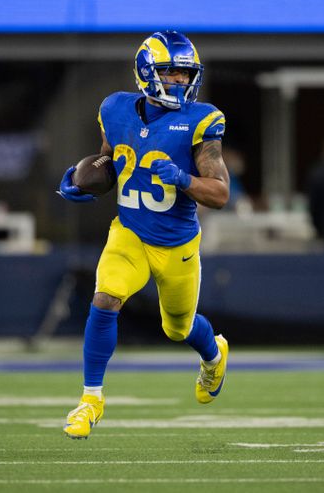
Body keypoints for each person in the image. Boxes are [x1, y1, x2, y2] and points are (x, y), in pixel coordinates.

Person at [56, 31, 230, 439]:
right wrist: (81, 182)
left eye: (186, 75)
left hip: (177, 244)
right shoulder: (115, 110)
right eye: (171, 73)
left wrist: (185, 178)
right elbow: (110, 160)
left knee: (178, 328)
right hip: (130, 233)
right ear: (147, 72)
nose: (180, 82)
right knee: (105, 297)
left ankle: (214, 355)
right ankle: (90, 400)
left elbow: (220, 194)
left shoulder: (202, 121)